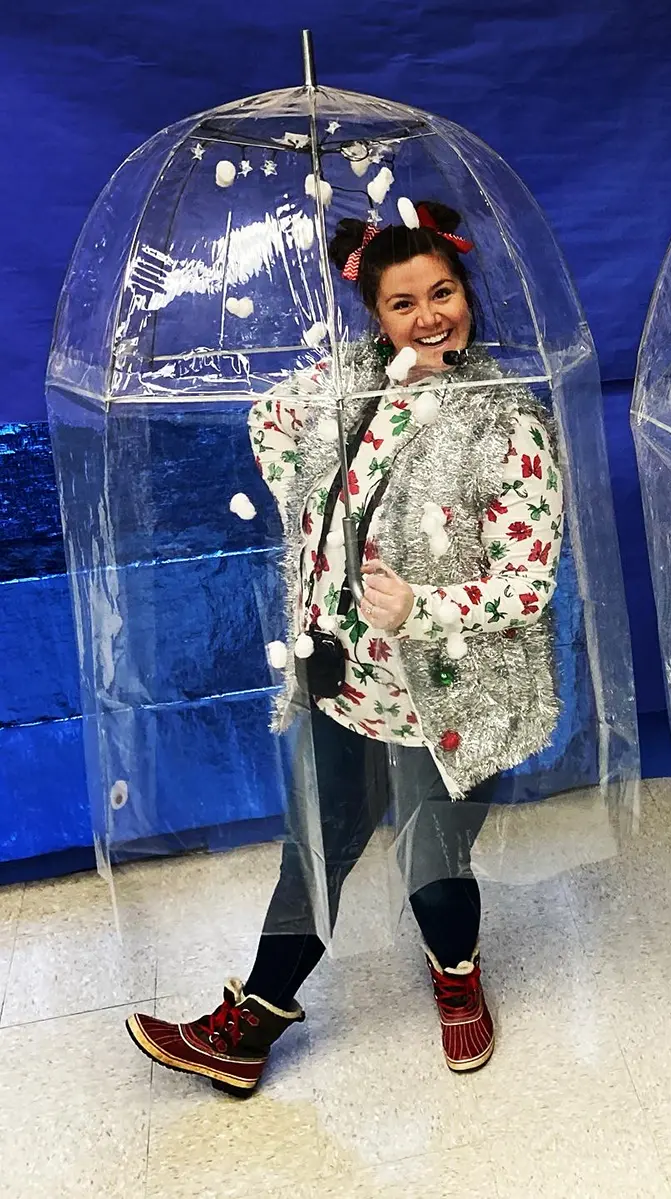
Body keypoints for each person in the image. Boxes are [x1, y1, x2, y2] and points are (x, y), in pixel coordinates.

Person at [126, 201, 564, 1094]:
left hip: (452, 692)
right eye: (403, 303)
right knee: (314, 850)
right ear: (375, 313)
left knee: (431, 860)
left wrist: (424, 604)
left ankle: (456, 977)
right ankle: (249, 1024)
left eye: (442, 292)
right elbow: (270, 424)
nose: (429, 315)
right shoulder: (344, 382)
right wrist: (316, 506)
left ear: (465, 293)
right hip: (345, 681)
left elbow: (532, 580)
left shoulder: (502, 419)